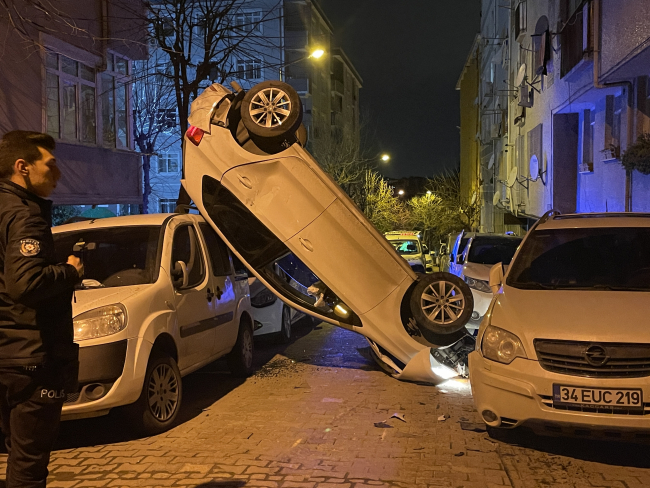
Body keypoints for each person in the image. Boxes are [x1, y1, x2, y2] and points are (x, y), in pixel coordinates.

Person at [0, 131, 84, 488]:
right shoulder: (24, 216)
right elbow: (25, 283)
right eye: (49, 165)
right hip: (30, 360)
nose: (57, 174)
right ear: (23, 168)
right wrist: (70, 271)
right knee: (28, 468)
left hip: (7, 354)